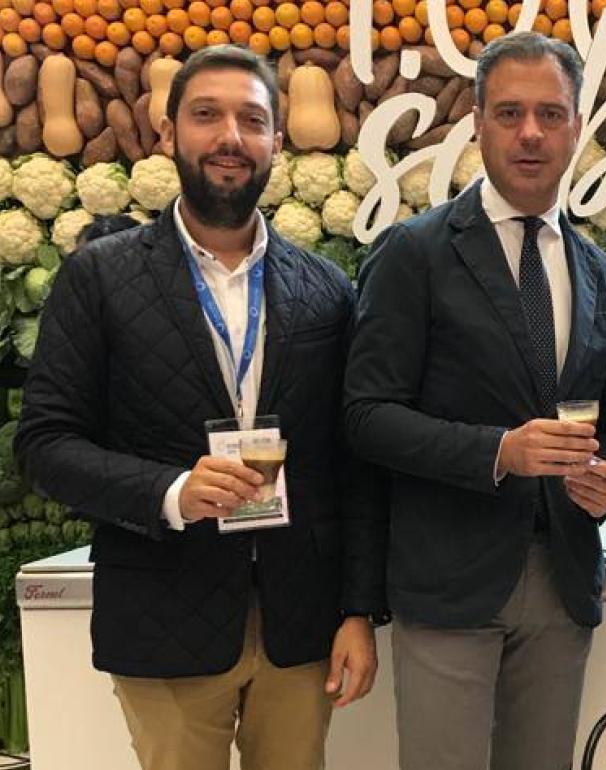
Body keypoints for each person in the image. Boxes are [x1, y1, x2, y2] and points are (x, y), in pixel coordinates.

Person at [15, 45, 387, 770]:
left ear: (278, 141)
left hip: (299, 624)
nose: (230, 138)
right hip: (164, 615)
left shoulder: (325, 288)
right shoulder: (100, 278)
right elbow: (46, 444)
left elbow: (353, 465)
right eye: (207, 115)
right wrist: (173, 492)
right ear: (167, 133)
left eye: (253, 120)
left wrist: (358, 609)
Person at [343, 32, 606, 770]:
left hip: (563, 577)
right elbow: (365, 415)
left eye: (549, 113)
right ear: (476, 123)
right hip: (449, 580)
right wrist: (497, 451)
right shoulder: (416, 253)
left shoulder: (602, 275)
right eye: (509, 113)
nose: (530, 132)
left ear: (575, 126)